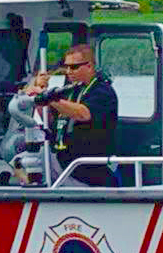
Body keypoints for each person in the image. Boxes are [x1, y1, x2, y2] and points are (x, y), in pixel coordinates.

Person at [22, 43, 119, 186]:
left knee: (25, 161)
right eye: (66, 67)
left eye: (74, 67)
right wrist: (38, 93)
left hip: (88, 168)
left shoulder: (102, 92)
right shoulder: (70, 90)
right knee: (19, 154)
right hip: (62, 161)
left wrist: (47, 97)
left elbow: (83, 113)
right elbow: (49, 119)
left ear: (89, 66)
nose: (68, 71)